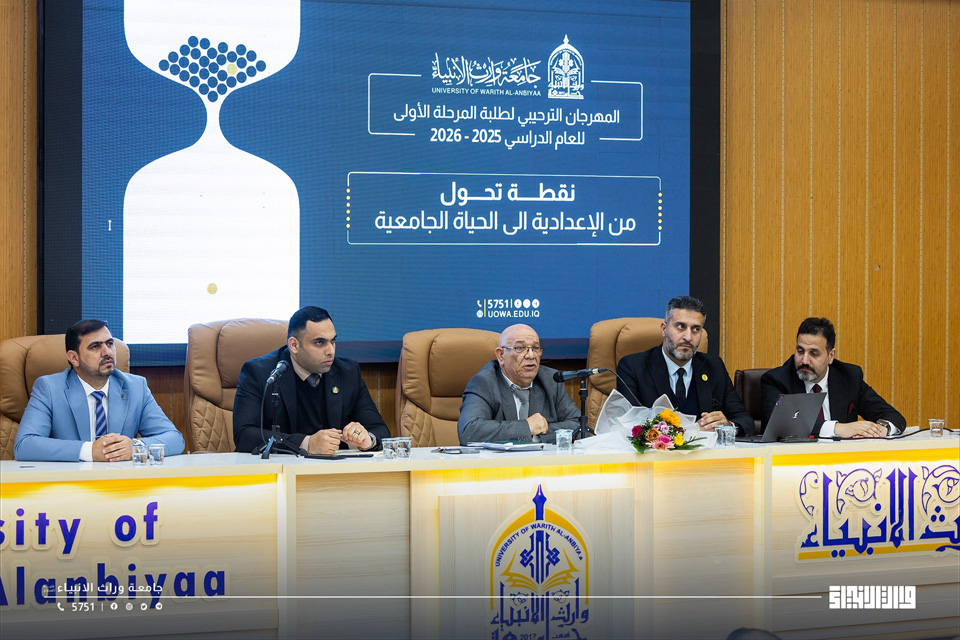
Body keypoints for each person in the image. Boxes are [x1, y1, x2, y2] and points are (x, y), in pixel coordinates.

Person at [14, 320, 185, 462]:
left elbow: (175, 439)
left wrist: (136, 447)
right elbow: (24, 445)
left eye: (110, 344)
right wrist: (89, 451)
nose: (107, 352)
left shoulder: (135, 387)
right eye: (95, 346)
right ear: (74, 358)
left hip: (121, 483)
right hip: (69, 483)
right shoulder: (49, 388)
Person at [233, 306, 389, 455]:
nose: (330, 351)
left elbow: (380, 430)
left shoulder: (347, 373)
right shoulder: (261, 373)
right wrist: (307, 443)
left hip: (333, 468)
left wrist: (367, 440)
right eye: (320, 342)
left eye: (332, 341)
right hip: (279, 468)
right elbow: (244, 435)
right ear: (294, 345)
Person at [616, 296, 754, 436]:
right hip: (658, 450)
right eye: (681, 327)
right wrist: (692, 431)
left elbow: (745, 420)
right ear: (664, 329)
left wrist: (727, 426)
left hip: (707, 450)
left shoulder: (714, 366)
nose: (688, 337)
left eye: (696, 329)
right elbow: (631, 426)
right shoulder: (633, 367)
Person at [760, 317, 905, 438]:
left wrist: (882, 429)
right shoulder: (776, 380)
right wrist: (837, 428)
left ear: (830, 356)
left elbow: (893, 416)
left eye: (814, 353)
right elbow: (781, 424)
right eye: (800, 351)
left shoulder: (849, 377)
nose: (804, 360)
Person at [458, 324, 580, 444]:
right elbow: (469, 431)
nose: (531, 355)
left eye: (535, 348)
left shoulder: (551, 380)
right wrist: (527, 427)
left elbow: (579, 426)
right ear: (501, 355)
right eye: (520, 348)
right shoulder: (484, 383)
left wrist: (536, 438)